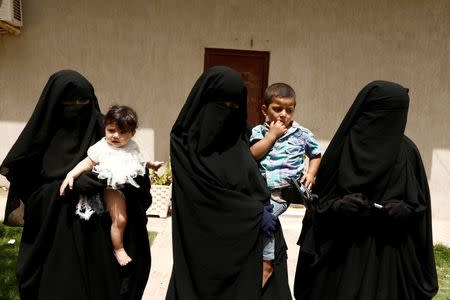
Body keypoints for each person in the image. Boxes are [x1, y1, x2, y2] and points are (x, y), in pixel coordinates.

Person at [0, 70, 152, 300]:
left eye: (83, 101)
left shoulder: (106, 132)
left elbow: (136, 177)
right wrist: (68, 185)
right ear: (53, 104)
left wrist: (107, 181)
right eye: (69, 101)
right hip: (57, 241)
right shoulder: (40, 141)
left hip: (99, 240)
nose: (77, 107)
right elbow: (34, 195)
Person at [293, 81, 439, 299]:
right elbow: (318, 203)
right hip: (341, 255)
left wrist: (404, 210)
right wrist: (338, 206)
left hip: (389, 256)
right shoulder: (342, 149)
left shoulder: (407, 153)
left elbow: (419, 207)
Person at [166, 66, 292, 299]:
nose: (227, 112)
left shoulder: (241, 135)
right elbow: (201, 198)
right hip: (205, 250)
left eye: (234, 107)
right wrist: (255, 211)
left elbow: (251, 178)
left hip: (251, 246)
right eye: (220, 105)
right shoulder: (185, 143)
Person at [59, 105, 163, 266]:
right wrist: (71, 174)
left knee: (133, 217)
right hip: (112, 188)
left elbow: (139, 160)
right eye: (111, 130)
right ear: (105, 128)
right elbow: (87, 163)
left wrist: (152, 164)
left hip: (128, 189)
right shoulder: (101, 147)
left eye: (122, 132)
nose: (116, 136)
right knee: (120, 219)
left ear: (132, 134)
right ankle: (119, 248)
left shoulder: (132, 146)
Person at [250, 82, 321, 287]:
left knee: (267, 222)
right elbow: (253, 154)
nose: (284, 115)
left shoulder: (302, 134)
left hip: (282, 193)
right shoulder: (259, 132)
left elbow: (316, 154)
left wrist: (311, 173)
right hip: (260, 189)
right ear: (265, 110)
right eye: (277, 109)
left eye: (289, 110)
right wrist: (272, 136)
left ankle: (267, 262)